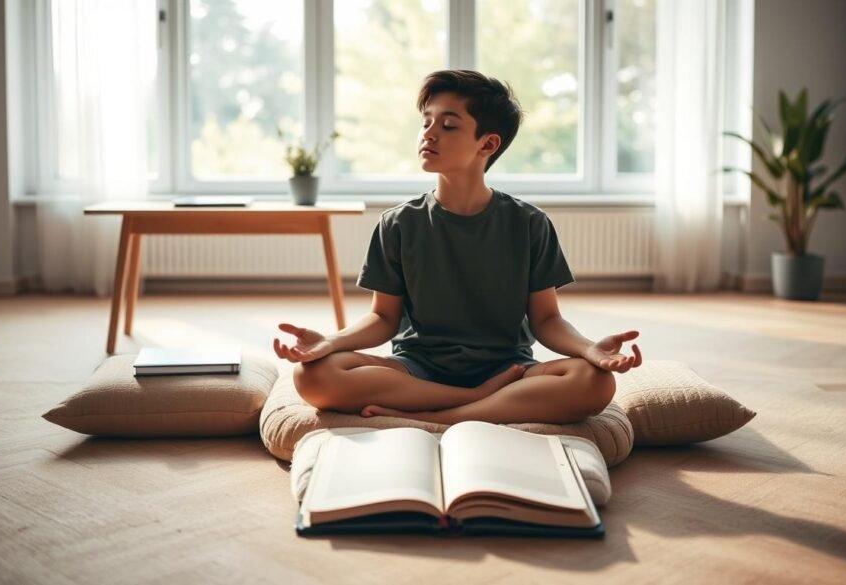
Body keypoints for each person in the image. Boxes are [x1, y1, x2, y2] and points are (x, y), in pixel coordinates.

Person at [273, 69, 642, 425]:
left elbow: (547, 320)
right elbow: (383, 319)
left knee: (594, 382)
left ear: (488, 143)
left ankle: (440, 416)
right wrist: (331, 341)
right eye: (426, 122)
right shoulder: (398, 223)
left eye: (448, 125)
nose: (429, 134)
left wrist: (589, 349)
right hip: (417, 368)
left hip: (509, 367)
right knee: (313, 376)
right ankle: (477, 401)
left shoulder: (529, 223)